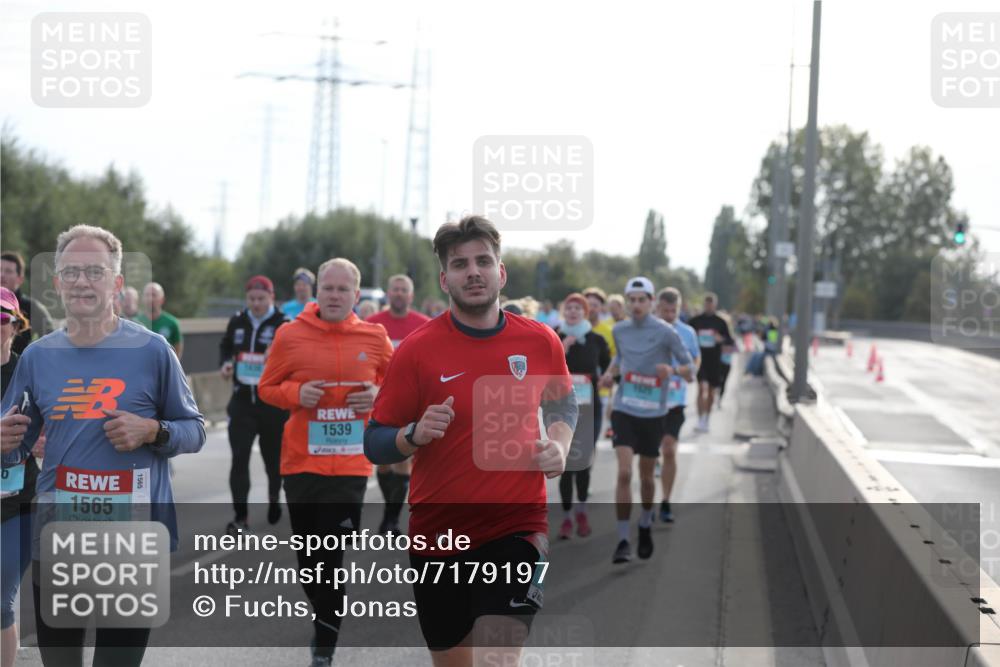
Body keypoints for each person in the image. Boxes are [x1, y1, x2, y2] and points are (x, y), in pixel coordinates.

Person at [364, 215, 577, 666]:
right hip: (439, 534)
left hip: (516, 525)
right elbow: (375, 442)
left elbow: (562, 404)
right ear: (445, 279)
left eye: (484, 261)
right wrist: (413, 435)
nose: (473, 271)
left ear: (502, 272)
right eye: (460, 264)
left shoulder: (540, 342)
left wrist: (558, 443)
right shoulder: (417, 350)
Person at [0, 225, 205, 667]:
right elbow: (13, 444)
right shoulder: (37, 356)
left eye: (94, 271)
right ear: (57, 284)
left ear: (115, 283)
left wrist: (152, 431)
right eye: (70, 272)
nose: (81, 281)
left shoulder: (153, 350)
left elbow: (195, 429)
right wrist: (4, 443)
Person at [257, 258, 392, 667]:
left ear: (356, 293)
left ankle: (323, 648)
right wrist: (297, 393)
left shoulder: (374, 336)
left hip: (350, 467)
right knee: (309, 564)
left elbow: (397, 385)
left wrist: (375, 395)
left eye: (342, 289)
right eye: (327, 289)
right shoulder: (290, 334)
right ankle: (325, 620)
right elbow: (267, 388)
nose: (334, 296)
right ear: (317, 292)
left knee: (331, 558)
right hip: (301, 464)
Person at [598, 277, 692, 564]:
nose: (637, 305)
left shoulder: (667, 333)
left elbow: (690, 371)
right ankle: (624, 539)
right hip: (625, 409)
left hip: (653, 414)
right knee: (625, 473)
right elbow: (621, 361)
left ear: (652, 302)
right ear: (627, 302)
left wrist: (673, 371)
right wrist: (610, 373)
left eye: (642, 300)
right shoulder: (620, 330)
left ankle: (646, 521)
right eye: (632, 300)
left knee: (647, 477)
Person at [219, 275, 291, 534]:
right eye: (251, 299)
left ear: (272, 298)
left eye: (261, 299)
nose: (256, 304)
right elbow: (225, 346)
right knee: (239, 460)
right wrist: (226, 363)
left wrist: (277, 359)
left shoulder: (284, 324)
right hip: (242, 403)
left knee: (274, 462)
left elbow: (295, 361)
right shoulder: (237, 320)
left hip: (273, 406)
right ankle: (241, 517)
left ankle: (274, 497)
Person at [365, 274, 431, 535]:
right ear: (388, 294)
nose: (399, 294)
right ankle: (389, 511)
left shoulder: (423, 325)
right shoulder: (371, 324)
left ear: (411, 296)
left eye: (404, 290)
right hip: (380, 398)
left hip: (411, 400)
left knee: (403, 458)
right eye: (395, 290)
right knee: (382, 463)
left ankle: (391, 519)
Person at [0, 288, 41, 667]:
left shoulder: (29, 370)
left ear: (16, 324)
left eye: (1, 318)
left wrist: (44, 441)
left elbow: (53, 425)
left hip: (18, 502)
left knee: (0, 597)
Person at [555, 293, 609, 539]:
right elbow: (543, 370)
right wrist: (561, 350)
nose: (573, 311)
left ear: (585, 312)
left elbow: (609, 369)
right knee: (565, 464)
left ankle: (582, 511)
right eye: (569, 307)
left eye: (578, 308)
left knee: (584, 462)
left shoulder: (596, 340)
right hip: (560, 409)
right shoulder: (554, 336)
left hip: (590, 408)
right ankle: (566, 517)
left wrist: (607, 380)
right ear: (564, 311)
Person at [655, 288, 700, 523]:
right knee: (649, 453)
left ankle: (665, 501)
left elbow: (694, 361)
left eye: (674, 310)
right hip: (648, 401)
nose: (670, 314)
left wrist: (683, 371)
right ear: (657, 308)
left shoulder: (687, 332)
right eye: (665, 311)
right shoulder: (647, 329)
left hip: (675, 401)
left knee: (669, 449)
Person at [687, 293, 733, 433]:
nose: (708, 306)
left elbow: (730, 341)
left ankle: (707, 419)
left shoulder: (721, 322)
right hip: (700, 360)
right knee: (701, 388)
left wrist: (721, 339)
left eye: (711, 304)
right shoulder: (695, 321)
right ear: (704, 304)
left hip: (715, 360)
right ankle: (700, 419)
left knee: (712, 392)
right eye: (706, 304)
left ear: (715, 305)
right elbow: (687, 338)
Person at [0, 252, 54, 356]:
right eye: (0, 269)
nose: (2, 275)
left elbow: (52, 341)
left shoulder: (32, 308)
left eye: (8, 271)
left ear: (20, 279)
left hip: (18, 369)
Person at [137, 281, 184, 360]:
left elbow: (177, 351)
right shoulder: (135, 322)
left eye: (154, 295)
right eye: (147, 295)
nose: (150, 298)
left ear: (162, 299)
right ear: (142, 299)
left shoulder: (172, 323)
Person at [716, 312, 737, 409]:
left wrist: (726, 347)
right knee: (717, 382)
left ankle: (719, 399)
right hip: (716, 362)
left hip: (727, 362)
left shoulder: (730, 335)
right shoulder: (715, 334)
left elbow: (735, 349)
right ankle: (715, 396)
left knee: (724, 382)